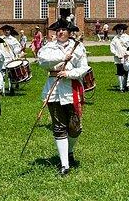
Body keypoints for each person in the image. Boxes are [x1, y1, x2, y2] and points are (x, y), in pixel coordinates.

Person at [38, 19, 89, 175]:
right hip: (53, 90)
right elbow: (42, 61)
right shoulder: (49, 47)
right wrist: (62, 58)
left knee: (75, 128)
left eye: (63, 30)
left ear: (69, 32)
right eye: (57, 30)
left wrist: (69, 73)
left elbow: (84, 67)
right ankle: (64, 165)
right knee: (59, 127)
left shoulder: (78, 47)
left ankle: (70, 150)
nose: (60, 32)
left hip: (71, 88)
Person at [0, 25, 22, 95]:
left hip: (10, 59)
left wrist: (17, 51)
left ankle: (12, 88)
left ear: (10, 31)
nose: (6, 31)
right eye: (5, 30)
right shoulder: (0, 38)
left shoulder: (13, 40)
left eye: (8, 30)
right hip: (2, 60)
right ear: (3, 31)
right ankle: (1, 90)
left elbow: (17, 48)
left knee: (11, 75)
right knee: (2, 75)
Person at [110, 23, 129, 92]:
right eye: (118, 30)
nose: (119, 31)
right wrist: (117, 54)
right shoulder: (114, 39)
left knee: (127, 72)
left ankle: (127, 85)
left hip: (127, 57)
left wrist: (127, 54)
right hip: (118, 58)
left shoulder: (128, 38)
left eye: (121, 29)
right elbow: (112, 48)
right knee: (120, 72)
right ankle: (121, 87)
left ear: (123, 30)